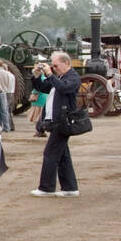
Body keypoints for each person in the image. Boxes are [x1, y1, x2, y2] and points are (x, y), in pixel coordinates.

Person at [30, 51, 81, 197]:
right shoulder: (59, 77)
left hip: (63, 121)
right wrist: (37, 75)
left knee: (50, 154)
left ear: (66, 63)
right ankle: (70, 188)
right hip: (55, 120)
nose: (53, 68)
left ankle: (46, 188)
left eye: (56, 65)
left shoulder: (73, 77)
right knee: (63, 155)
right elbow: (43, 87)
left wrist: (50, 75)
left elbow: (64, 88)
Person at [0, 61, 15, 132]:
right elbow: (9, 84)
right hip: (4, 93)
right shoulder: (8, 74)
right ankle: (6, 127)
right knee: (4, 111)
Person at [29, 62, 50, 132]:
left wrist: (33, 94)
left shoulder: (39, 78)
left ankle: (39, 130)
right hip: (45, 98)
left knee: (37, 117)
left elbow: (37, 89)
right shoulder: (45, 78)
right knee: (43, 115)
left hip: (39, 100)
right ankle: (41, 130)